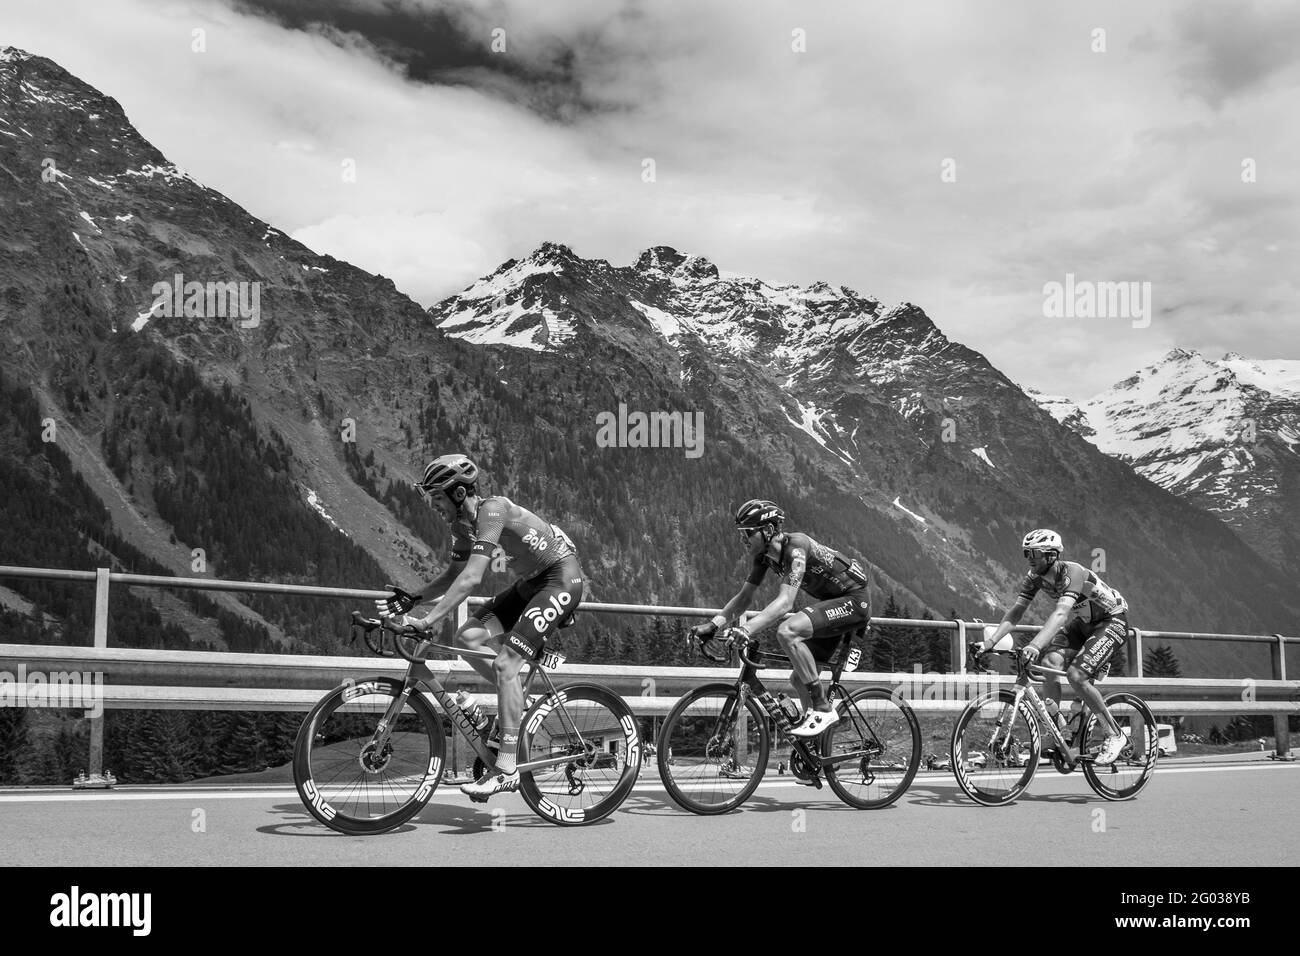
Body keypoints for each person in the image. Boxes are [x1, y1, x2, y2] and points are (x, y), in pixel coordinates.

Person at [376, 453, 583, 801]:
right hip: (532, 583)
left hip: (561, 578)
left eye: (438, 497)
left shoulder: (493, 510)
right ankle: (512, 698)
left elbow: (473, 578)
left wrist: (426, 621)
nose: (434, 506)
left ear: (458, 494)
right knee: (469, 636)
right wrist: (414, 597)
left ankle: (506, 769)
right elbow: (454, 574)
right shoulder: (460, 525)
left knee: (505, 664)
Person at [691, 499, 871, 738]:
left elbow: (786, 602)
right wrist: (714, 625)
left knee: (788, 631)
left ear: (767, 530)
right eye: (741, 534)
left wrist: (747, 629)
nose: (742, 540)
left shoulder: (796, 547)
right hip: (832, 604)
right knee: (800, 678)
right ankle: (815, 753)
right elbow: (744, 597)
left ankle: (823, 708)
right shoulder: (764, 557)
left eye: (747, 533)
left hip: (854, 601)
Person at [971, 528, 1130, 765]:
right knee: (1048, 664)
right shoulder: (1034, 578)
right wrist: (990, 642)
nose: (1029, 558)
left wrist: (1034, 645)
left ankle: (1115, 734)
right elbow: (1016, 613)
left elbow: (1061, 613)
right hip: (1084, 624)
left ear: (1052, 555)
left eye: (1034, 553)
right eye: (1026, 553)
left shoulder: (1073, 572)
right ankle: (1059, 730)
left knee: (1076, 675)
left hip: (1111, 620)